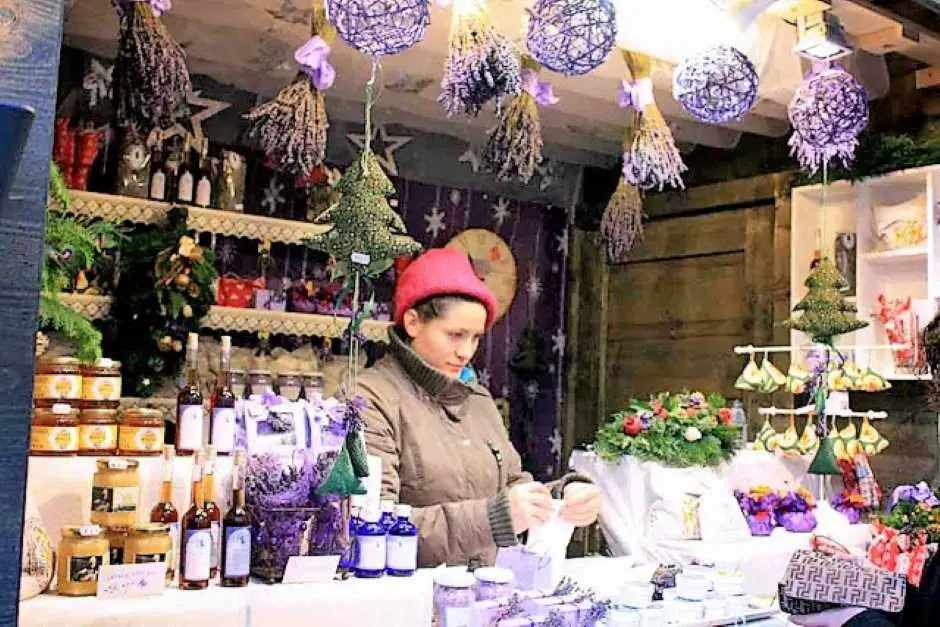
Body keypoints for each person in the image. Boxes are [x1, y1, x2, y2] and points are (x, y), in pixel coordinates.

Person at [358, 247, 601, 567]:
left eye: (475, 338)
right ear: (413, 322)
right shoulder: (368, 398)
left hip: (482, 595)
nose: (466, 352)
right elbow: (369, 527)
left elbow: (514, 485)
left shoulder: (478, 400)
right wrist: (494, 518)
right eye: (455, 335)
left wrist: (563, 497)